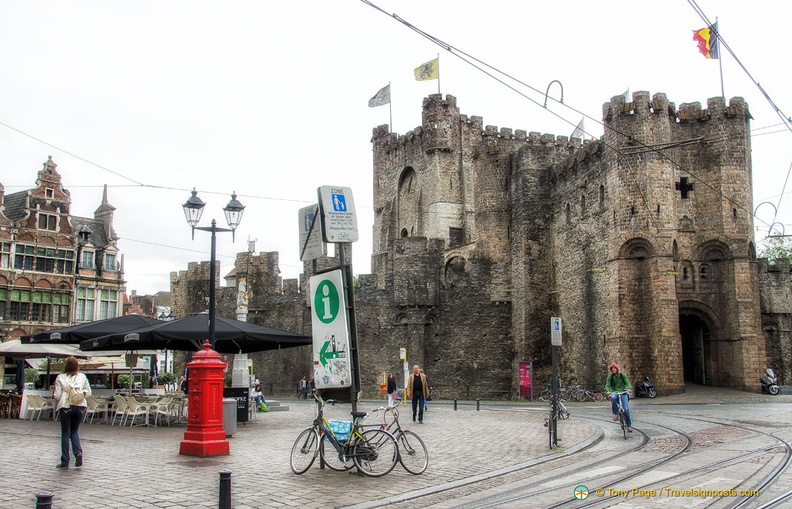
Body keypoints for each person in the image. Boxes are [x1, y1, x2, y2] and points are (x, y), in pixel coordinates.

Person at [53, 355, 91, 469]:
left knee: (65, 433)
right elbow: (88, 392)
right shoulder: (82, 377)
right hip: (80, 406)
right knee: (74, 432)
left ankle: (65, 461)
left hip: (66, 407)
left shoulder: (61, 377)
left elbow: (57, 395)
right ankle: (78, 452)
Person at [605, 362, 633, 433]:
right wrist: (608, 391)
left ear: (617, 369)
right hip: (615, 392)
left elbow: (627, 382)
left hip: (623, 392)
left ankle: (629, 426)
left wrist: (629, 389)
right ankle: (616, 413)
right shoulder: (610, 377)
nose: (613, 370)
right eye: (612, 369)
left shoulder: (622, 375)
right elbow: (607, 385)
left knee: (626, 409)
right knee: (613, 398)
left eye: (614, 368)